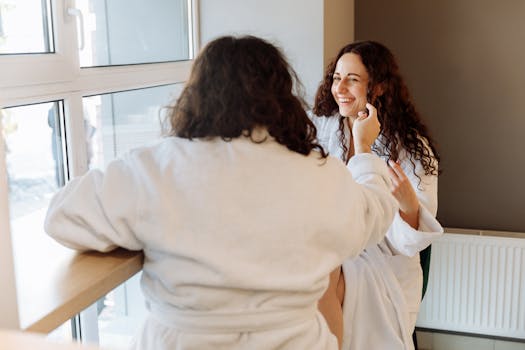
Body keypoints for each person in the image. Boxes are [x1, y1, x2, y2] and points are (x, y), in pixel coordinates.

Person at [44, 35, 398, 350]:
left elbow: (62, 215)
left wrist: (145, 225)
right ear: (281, 98)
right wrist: (363, 150)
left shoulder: (156, 167)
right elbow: (375, 214)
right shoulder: (319, 174)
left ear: (197, 97)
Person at [311, 40, 443, 350]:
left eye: (352, 80)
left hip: (386, 263)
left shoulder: (411, 150)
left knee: (319, 288)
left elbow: (408, 244)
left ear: (379, 87)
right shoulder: (320, 130)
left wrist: (409, 209)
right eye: (336, 77)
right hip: (333, 250)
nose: (339, 88)